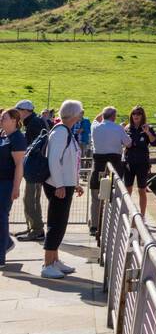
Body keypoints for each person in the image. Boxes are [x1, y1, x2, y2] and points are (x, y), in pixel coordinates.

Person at [42, 99, 84, 278]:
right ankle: (47, 264)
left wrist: (75, 182)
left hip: (64, 184)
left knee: (60, 224)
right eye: (80, 112)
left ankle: (54, 260)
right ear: (75, 115)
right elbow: (54, 160)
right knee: (56, 224)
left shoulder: (64, 131)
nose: (82, 115)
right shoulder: (61, 132)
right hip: (58, 186)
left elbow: (69, 162)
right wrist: (60, 184)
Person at [89, 107, 130, 234]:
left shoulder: (95, 127)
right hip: (115, 167)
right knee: (113, 197)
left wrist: (102, 114)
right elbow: (128, 143)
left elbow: (96, 119)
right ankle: (111, 226)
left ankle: (94, 226)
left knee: (96, 197)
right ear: (114, 116)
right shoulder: (119, 128)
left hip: (98, 167)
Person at [13, 99, 46, 243]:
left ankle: (37, 230)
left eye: (19, 110)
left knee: (30, 200)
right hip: (35, 168)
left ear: (26, 111)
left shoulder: (34, 123)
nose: (17, 113)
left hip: (35, 168)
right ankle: (32, 227)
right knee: (29, 199)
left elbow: (32, 147)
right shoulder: (33, 122)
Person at [0, 109, 27, 268]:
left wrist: (16, 187)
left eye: (4, 117)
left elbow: (19, 165)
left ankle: (1, 256)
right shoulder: (3, 136)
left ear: (14, 120)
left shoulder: (17, 138)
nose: (1, 119)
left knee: (1, 218)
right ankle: (7, 243)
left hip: (6, 184)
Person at [123, 106, 156, 215]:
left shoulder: (147, 128)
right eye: (134, 113)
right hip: (129, 162)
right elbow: (122, 143)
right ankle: (126, 213)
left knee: (142, 189)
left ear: (142, 116)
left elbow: (154, 143)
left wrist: (148, 132)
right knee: (127, 189)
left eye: (138, 113)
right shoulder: (127, 128)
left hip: (142, 163)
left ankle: (142, 216)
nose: (136, 116)